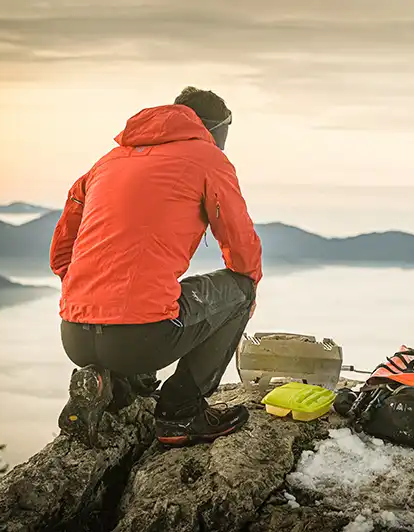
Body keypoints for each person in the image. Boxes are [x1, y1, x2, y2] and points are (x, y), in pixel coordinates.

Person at [49, 87, 262, 447]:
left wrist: (90, 300)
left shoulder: (107, 161)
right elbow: (240, 243)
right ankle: (180, 413)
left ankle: (111, 385)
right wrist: (250, 291)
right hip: (141, 340)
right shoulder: (207, 158)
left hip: (74, 334)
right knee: (239, 289)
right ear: (216, 130)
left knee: (154, 296)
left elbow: (61, 254)